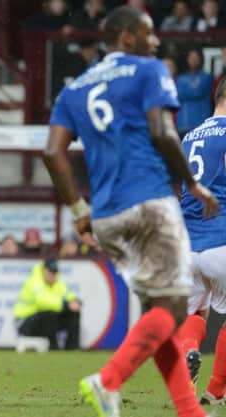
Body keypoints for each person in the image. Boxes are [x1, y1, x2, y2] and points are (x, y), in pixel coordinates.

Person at [44, 7, 219, 417]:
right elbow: (162, 130)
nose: (156, 41)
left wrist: (78, 210)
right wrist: (191, 184)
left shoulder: (74, 89)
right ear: (127, 38)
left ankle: (188, 410)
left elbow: (52, 152)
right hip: (149, 202)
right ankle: (108, 380)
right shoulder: (147, 69)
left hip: (105, 215)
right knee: (175, 310)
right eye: (149, 33)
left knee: (159, 313)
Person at [174, 78, 226, 405]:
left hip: (186, 243)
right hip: (221, 237)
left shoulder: (190, 136)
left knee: (195, 314)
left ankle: (190, 352)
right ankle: (215, 390)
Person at [14, 258, 81, 350]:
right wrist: (66, 305)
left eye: (54, 272)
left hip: (42, 320)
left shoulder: (57, 283)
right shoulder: (34, 281)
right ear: (43, 270)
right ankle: (53, 347)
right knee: (50, 315)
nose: (52, 275)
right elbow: (42, 301)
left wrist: (75, 301)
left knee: (73, 313)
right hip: (24, 322)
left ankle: (71, 349)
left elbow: (68, 295)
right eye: (49, 272)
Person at [176, 48, 213, 136]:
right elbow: (176, 96)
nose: (193, 60)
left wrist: (183, 89)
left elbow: (196, 92)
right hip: (183, 125)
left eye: (196, 57)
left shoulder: (207, 77)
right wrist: (190, 87)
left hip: (201, 125)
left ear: (201, 59)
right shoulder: (180, 77)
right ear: (187, 59)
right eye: (191, 57)